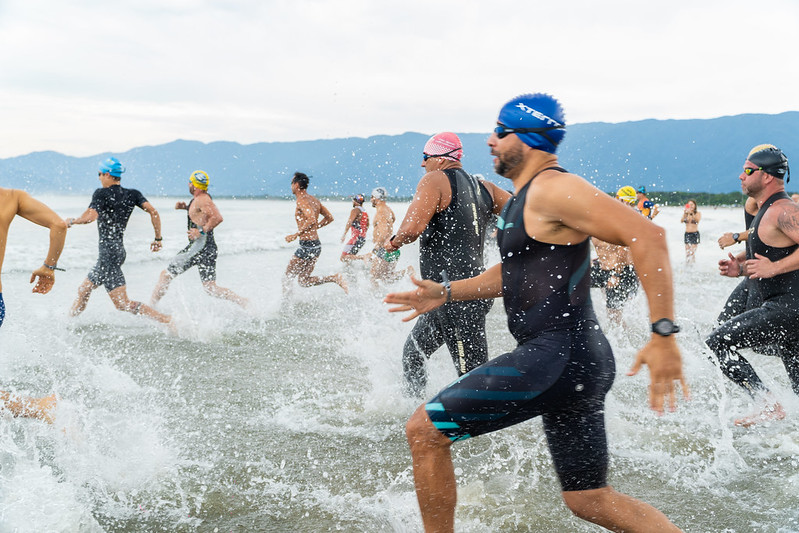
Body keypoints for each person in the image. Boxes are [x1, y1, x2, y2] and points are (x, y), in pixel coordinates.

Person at [386, 93, 687, 533]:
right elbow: (514, 272)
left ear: (526, 138)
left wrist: (663, 335)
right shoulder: (527, 198)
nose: (490, 140)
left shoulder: (552, 187)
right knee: (589, 499)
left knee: (425, 431)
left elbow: (648, 237)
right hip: (577, 358)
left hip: (556, 355)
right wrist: (447, 292)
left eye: (501, 132)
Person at [382, 132, 511, 396]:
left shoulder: (434, 179)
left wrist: (392, 242)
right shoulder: (485, 187)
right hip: (456, 294)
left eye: (426, 158)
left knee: (472, 380)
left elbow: (411, 229)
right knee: (413, 354)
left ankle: (486, 429)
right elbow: (522, 212)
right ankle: (416, 414)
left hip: (456, 299)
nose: (423, 164)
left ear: (440, 159)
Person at [706, 144, 799, 427]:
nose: (741, 176)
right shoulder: (763, 211)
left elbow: (775, 263)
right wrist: (740, 268)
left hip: (786, 308)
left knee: (715, 343)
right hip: (784, 311)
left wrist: (774, 268)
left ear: (768, 176)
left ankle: (766, 402)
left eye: (748, 171)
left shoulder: (783, 210)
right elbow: (772, 253)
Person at [65, 157, 170, 324]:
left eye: (99, 174)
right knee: (84, 290)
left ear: (107, 174)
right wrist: (158, 238)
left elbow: (91, 216)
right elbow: (154, 212)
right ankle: (68, 322)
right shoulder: (132, 194)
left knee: (122, 303)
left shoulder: (101, 193)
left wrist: (72, 221)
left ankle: (166, 320)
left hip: (109, 254)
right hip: (116, 251)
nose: (99, 177)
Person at [0, 188, 66, 423]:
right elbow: (59, 224)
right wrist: (49, 267)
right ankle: (40, 408)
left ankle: (40, 408)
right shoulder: (12, 197)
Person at [151, 170, 247, 308]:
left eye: (189, 183)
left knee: (165, 275)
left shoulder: (203, 199)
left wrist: (201, 231)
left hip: (199, 247)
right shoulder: (200, 199)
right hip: (208, 248)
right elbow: (203, 215)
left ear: (194, 185)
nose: (188, 185)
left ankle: (150, 308)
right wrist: (186, 207)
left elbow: (217, 217)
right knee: (210, 288)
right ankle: (243, 301)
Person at [283, 172, 347, 293]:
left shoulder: (301, 200)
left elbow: (311, 218)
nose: (291, 186)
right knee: (303, 281)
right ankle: (334, 278)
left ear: (296, 185)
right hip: (316, 245)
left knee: (287, 277)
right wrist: (314, 228)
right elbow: (329, 217)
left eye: (291, 183)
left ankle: (285, 308)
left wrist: (296, 234)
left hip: (306, 245)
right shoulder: (314, 200)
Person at [590, 186, 639, 325]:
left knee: (614, 317)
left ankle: (627, 343)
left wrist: (616, 275)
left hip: (622, 272)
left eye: (630, 203)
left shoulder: (625, 220)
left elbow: (622, 249)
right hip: (606, 269)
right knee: (575, 282)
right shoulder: (599, 221)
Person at [365, 187, 408, 285]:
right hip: (393, 247)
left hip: (384, 248)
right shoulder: (388, 209)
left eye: (372, 197)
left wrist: (376, 248)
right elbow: (393, 219)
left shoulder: (380, 211)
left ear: (376, 197)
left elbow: (384, 233)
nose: (371, 199)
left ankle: (374, 299)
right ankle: (406, 272)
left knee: (374, 278)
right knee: (386, 278)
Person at [340, 193, 369, 262]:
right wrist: (362, 235)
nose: (352, 202)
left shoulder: (355, 210)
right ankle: (349, 272)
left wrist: (344, 234)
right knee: (349, 258)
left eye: (353, 200)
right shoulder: (364, 212)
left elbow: (349, 222)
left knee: (343, 257)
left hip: (355, 239)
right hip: (362, 239)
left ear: (356, 201)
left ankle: (363, 257)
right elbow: (367, 225)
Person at [681, 199, 702, 263]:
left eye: (692, 205)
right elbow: (681, 221)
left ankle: (693, 266)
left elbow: (697, 221)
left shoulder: (698, 213)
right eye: (689, 205)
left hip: (695, 234)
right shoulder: (686, 213)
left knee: (692, 252)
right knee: (687, 253)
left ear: (695, 205)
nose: (691, 206)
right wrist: (685, 213)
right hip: (687, 234)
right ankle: (687, 266)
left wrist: (692, 213)